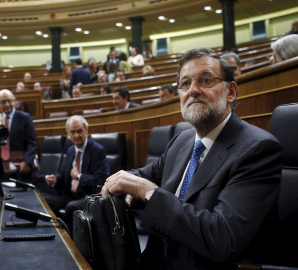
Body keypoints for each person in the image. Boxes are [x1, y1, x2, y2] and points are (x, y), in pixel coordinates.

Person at [101, 47, 283, 269]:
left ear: (231, 92)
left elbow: (222, 238)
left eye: (205, 80)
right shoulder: (182, 141)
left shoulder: (258, 149)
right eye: (185, 83)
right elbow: (143, 176)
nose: (193, 90)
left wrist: (148, 192)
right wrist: (125, 180)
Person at [43, 115, 109, 228]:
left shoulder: (97, 150)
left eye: (79, 131)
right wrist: (54, 179)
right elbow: (64, 172)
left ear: (86, 131)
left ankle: (72, 240)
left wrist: (79, 176)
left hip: (88, 195)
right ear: (68, 134)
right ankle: (55, 235)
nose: (76, 135)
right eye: (72, 132)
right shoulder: (70, 150)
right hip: (70, 194)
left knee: (71, 207)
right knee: (44, 201)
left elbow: (101, 179)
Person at [0, 89, 38, 182]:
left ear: (14, 101)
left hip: (20, 166)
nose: (7, 104)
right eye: (3, 102)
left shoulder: (25, 118)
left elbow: (33, 143)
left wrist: (27, 161)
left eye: (9, 101)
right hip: (0, 168)